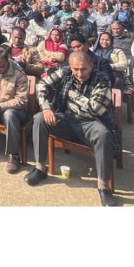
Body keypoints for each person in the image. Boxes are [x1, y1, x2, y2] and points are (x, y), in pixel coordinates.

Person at [23, 52, 120, 206]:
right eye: (75, 69)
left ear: (91, 66)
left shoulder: (102, 79)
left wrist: (72, 94)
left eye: (83, 69)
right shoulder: (66, 71)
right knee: (39, 118)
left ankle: (103, 186)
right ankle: (40, 168)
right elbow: (42, 84)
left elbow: (94, 109)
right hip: (67, 118)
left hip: (91, 122)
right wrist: (46, 107)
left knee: (103, 135)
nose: (79, 73)